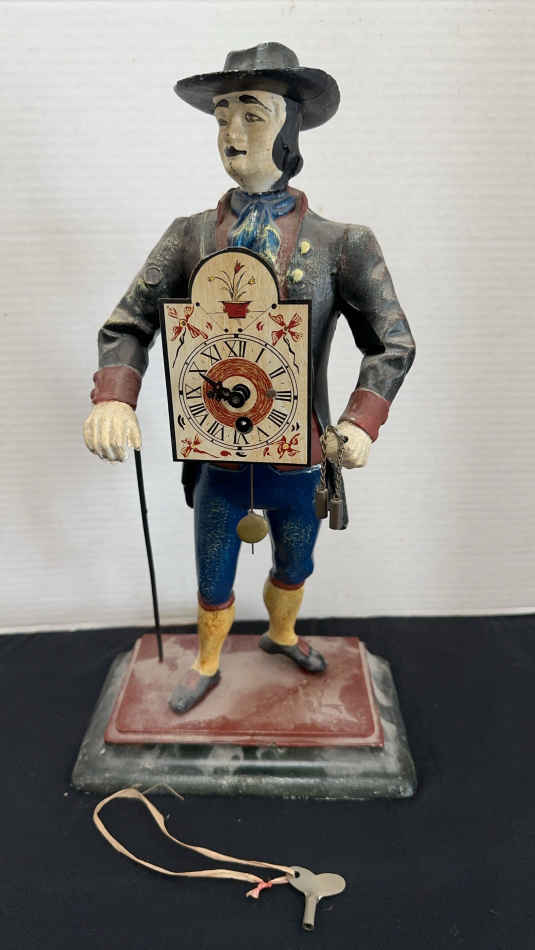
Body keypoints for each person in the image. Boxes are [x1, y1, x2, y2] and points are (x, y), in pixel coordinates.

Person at [83, 43, 415, 713]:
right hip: (218, 457)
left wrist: (359, 422)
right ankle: (207, 658)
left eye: (252, 115)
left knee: (296, 561)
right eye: (221, 116)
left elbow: (392, 341)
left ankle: (281, 632)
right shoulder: (186, 237)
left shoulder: (341, 244)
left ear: (290, 128)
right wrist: (114, 397)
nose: (232, 132)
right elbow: (128, 322)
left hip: (301, 457)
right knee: (213, 568)